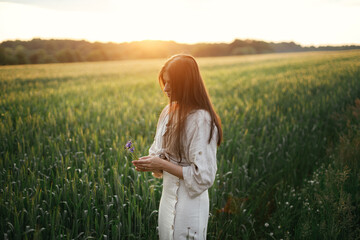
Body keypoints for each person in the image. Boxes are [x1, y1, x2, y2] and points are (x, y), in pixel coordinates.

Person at [132, 54, 222, 240]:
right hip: (167, 200)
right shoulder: (167, 113)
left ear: (186, 84)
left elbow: (203, 176)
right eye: (164, 82)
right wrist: (151, 163)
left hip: (190, 205)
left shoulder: (201, 119)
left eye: (171, 83)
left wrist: (162, 164)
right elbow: (158, 153)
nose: (165, 88)